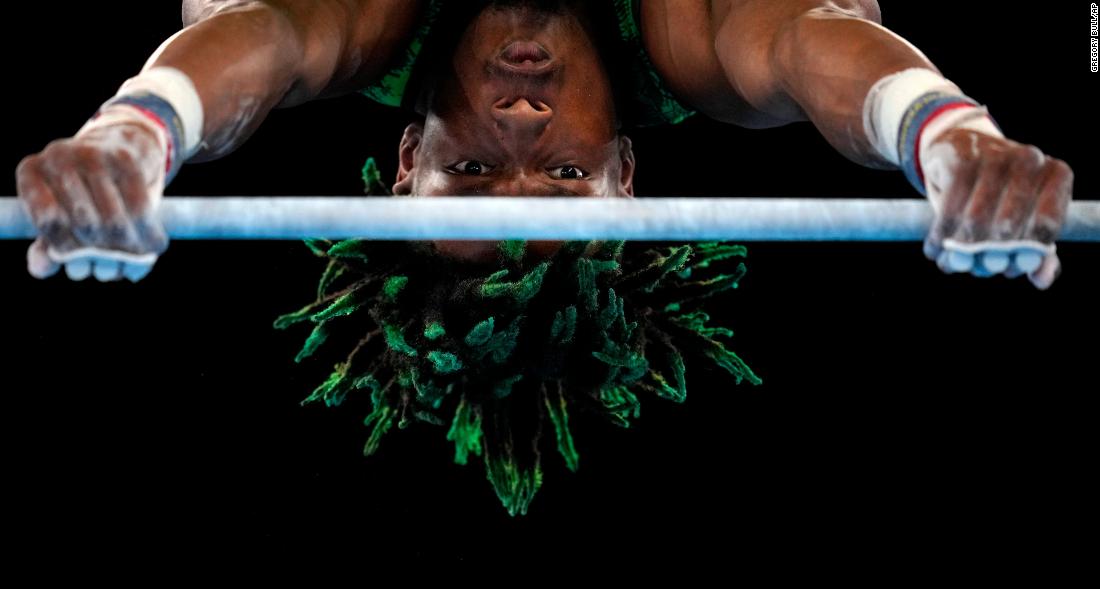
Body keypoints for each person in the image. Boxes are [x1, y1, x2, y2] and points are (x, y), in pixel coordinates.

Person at [14, 0, 1074, 286]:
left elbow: (272, 45)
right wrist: (947, 142)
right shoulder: (697, 50)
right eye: (562, 176)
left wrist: (134, 139)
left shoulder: (368, 29)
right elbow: (805, 48)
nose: (520, 128)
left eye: (469, 172)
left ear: (400, 166)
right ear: (624, 173)